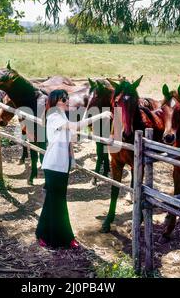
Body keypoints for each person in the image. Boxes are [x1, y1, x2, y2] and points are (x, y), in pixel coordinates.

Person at [36, 89, 112, 249]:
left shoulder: (61, 115)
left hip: (62, 166)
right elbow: (76, 127)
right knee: (55, 202)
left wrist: (73, 160)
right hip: (53, 166)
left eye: (67, 98)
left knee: (55, 201)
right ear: (55, 101)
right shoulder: (53, 116)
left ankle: (51, 235)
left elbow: (69, 139)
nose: (67, 101)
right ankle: (56, 237)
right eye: (63, 99)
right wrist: (99, 115)